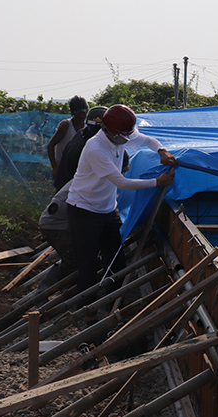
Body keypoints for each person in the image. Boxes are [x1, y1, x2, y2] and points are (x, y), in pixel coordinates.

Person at [67, 104, 176, 312]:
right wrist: (157, 181)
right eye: (123, 135)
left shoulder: (121, 134)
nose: (127, 139)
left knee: (116, 260)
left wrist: (162, 151)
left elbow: (147, 140)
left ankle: (113, 306)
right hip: (84, 210)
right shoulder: (96, 148)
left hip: (108, 209)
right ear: (110, 131)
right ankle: (86, 311)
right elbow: (122, 183)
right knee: (88, 262)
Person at [39, 106, 111, 282]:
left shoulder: (83, 139)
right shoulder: (91, 175)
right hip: (56, 225)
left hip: (58, 219)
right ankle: (48, 290)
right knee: (77, 261)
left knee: (80, 257)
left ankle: (60, 288)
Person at [47, 95, 88, 186]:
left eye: (84, 112)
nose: (82, 115)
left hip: (78, 169)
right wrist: (55, 167)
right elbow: (50, 146)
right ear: (73, 113)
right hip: (63, 169)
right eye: (78, 113)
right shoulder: (66, 125)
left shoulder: (86, 128)